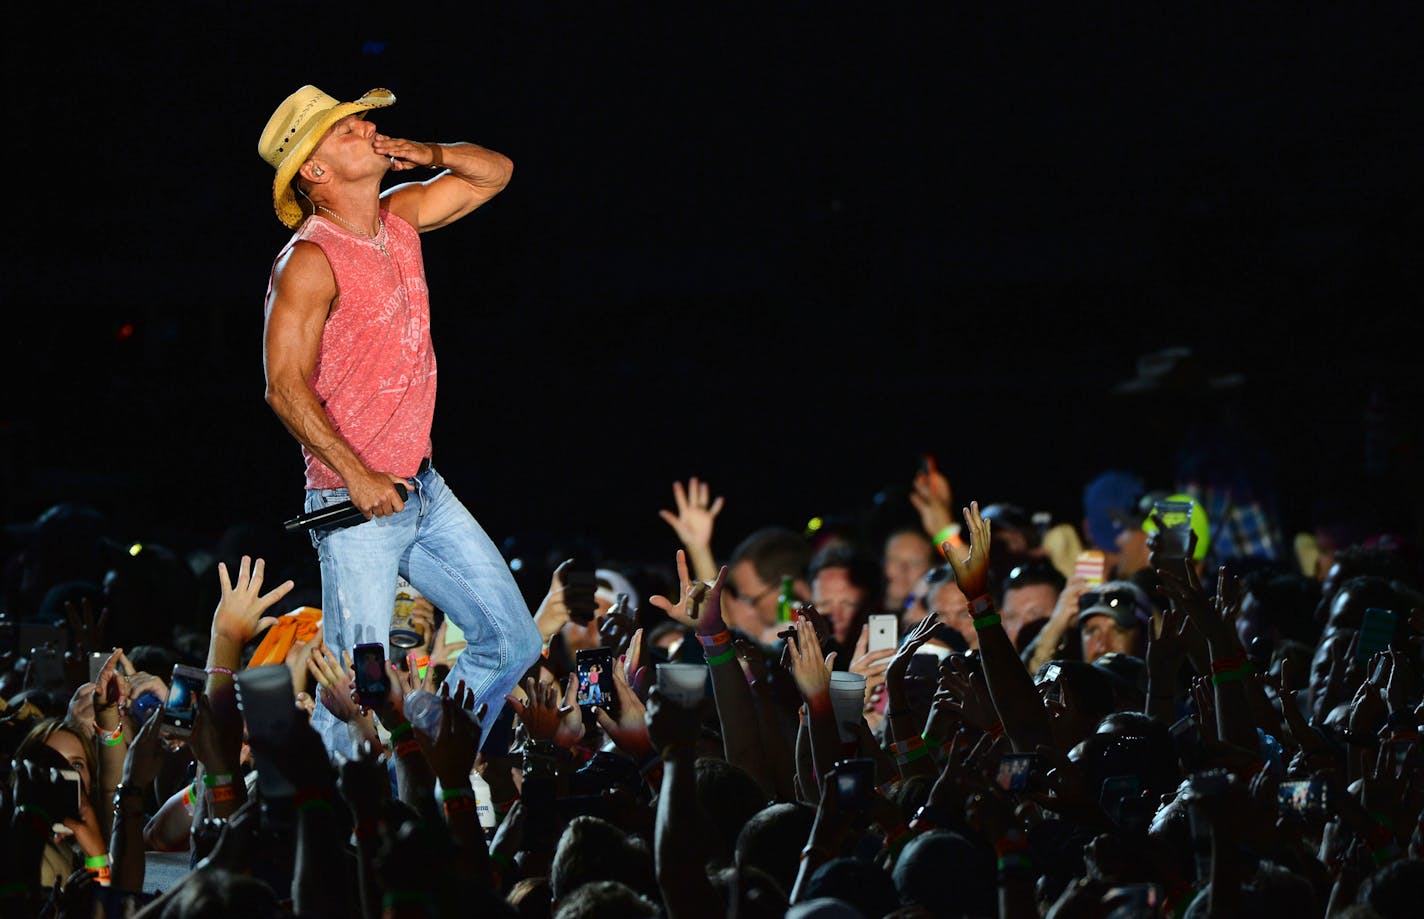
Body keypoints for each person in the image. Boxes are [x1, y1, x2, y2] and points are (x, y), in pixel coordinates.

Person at [257, 85, 540, 754]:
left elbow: (496, 173)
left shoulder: (401, 217)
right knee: (354, 693)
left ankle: (423, 771)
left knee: (513, 643)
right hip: (353, 507)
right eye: (346, 127)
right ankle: (334, 840)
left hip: (422, 489)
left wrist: (434, 152)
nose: (367, 125)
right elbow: (282, 386)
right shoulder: (308, 260)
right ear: (316, 172)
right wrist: (355, 474)